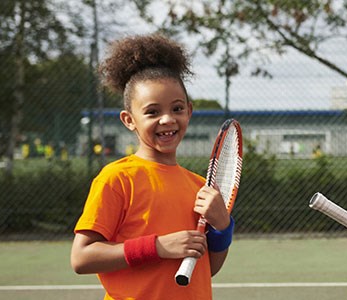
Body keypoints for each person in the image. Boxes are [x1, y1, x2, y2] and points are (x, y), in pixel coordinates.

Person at [70, 34, 234, 300]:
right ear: (129, 120)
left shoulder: (199, 187)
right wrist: (158, 246)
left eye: (177, 108)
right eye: (152, 112)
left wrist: (222, 226)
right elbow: (82, 257)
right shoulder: (117, 178)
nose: (167, 119)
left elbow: (206, 268)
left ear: (189, 112)